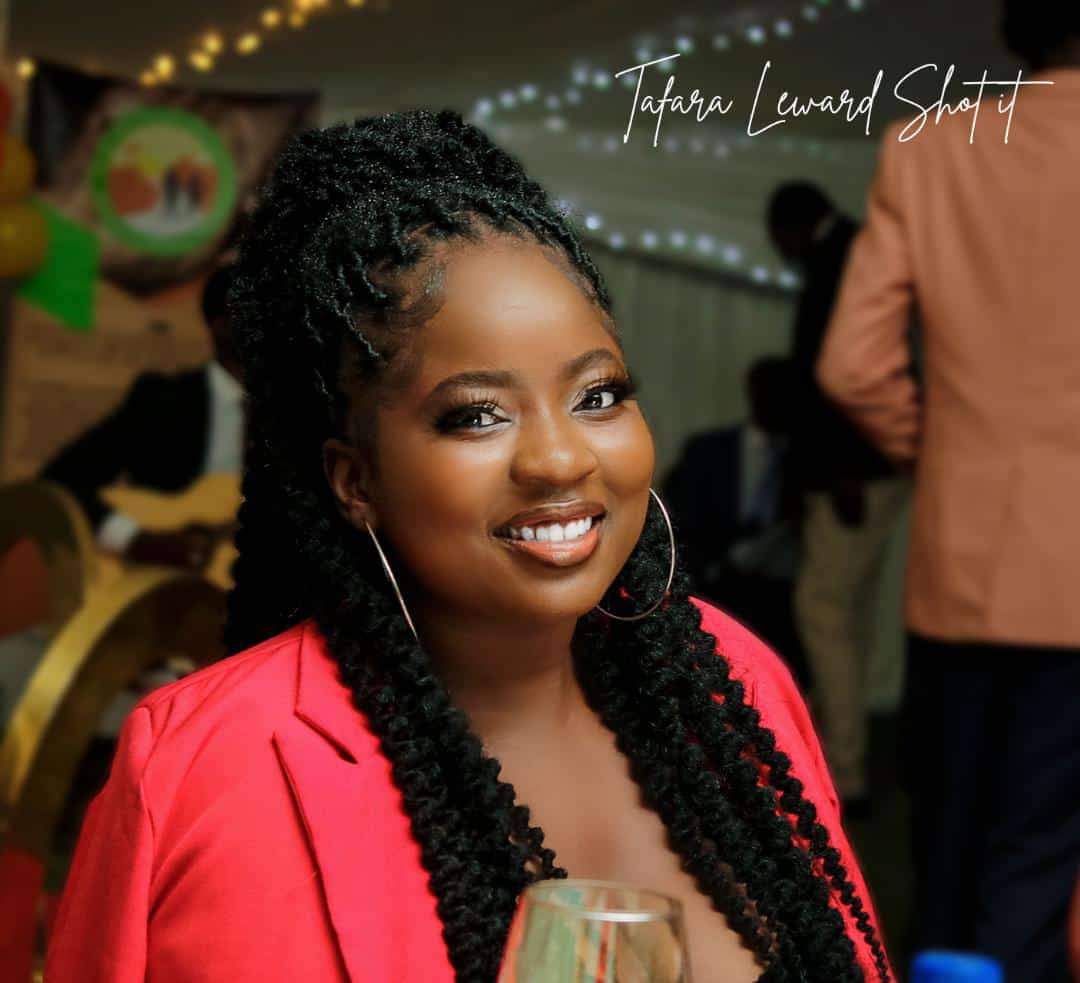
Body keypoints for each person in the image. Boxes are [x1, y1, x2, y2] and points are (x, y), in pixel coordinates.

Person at [46, 111, 893, 983]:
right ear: (355, 479)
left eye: (597, 395)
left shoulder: (738, 682)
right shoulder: (216, 768)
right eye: (477, 414)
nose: (561, 458)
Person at [816, 4, 1080, 979]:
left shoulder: (931, 144)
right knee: (1043, 859)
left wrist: (940, 448)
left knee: (949, 836)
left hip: (960, 559)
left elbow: (851, 365)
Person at [767, 182, 907, 813]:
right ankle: (838, 755)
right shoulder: (861, 249)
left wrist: (839, 468)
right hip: (874, 464)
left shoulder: (840, 260)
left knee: (824, 612)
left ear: (793, 227)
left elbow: (843, 373)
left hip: (853, 468)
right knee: (847, 615)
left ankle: (842, 769)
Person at [41, 265, 243, 572]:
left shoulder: (306, 412)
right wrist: (136, 540)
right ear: (220, 324)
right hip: (170, 585)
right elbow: (60, 482)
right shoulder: (161, 400)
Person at [663, 357, 809, 688]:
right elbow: (681, 512)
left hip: (778, 586)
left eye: (783, 394)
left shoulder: (803, 459)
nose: (773, 401)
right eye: (767, 391)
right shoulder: (708, 449)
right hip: (714, 575)